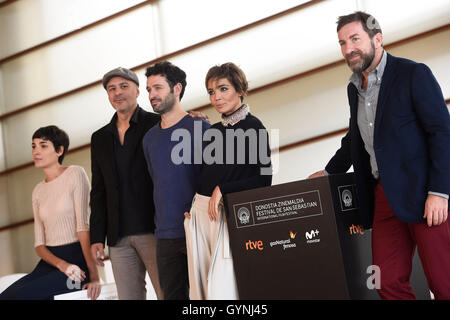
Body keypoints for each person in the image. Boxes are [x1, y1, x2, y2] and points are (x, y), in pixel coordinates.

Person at [308, 12, 450, 299]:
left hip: (424, 192)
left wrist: (440, 192)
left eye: (355, 39)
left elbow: (442, 132)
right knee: (385, 281)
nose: (349, 49)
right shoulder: (354, 89)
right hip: (382, 196)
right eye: (342, 43)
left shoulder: (413, 74)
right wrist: (328, 172)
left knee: (443, 281)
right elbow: (354, 140)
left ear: (377, 38)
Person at [184, 62, 272, 300]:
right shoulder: (211, 131)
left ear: (240, 90)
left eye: (223, 89)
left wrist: (223, 189)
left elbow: (264, 180)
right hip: (199, 215)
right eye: (211, 92)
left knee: (223, 290)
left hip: (227, 214)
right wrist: (191, 209)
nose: (216, 97)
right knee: (200, 291)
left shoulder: (255, 128)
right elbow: (203, 175)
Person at [0, 125, 101, 300]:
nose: (36, 151)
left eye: (43, 145)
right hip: (51, 263)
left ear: (59, 150)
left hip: (77, 263)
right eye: (33, 146)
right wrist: (61, 265)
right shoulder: (38, 190)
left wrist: (94, 276)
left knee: (22, 296)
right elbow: (39, 245)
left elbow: (83, 228)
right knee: (6, 296)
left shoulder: (75, 174)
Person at [90, 67, 163, 300]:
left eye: (124, 86)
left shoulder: (157, 123)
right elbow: (98, 191)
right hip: (118, 236)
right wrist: (96, 237)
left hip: (155, 229)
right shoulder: (99, 138)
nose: (117, 93)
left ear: (138, 91)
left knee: (169, 293)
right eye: (112, 89)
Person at [142, 61, 210, 299]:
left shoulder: (200, 127)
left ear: (177, 88)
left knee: (208, 296)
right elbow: (157, 182)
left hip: (198, 229)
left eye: (158, 88)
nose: (151, 95)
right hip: (165, 235)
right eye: (149, 89)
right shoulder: (149, 139)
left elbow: (212, 178)